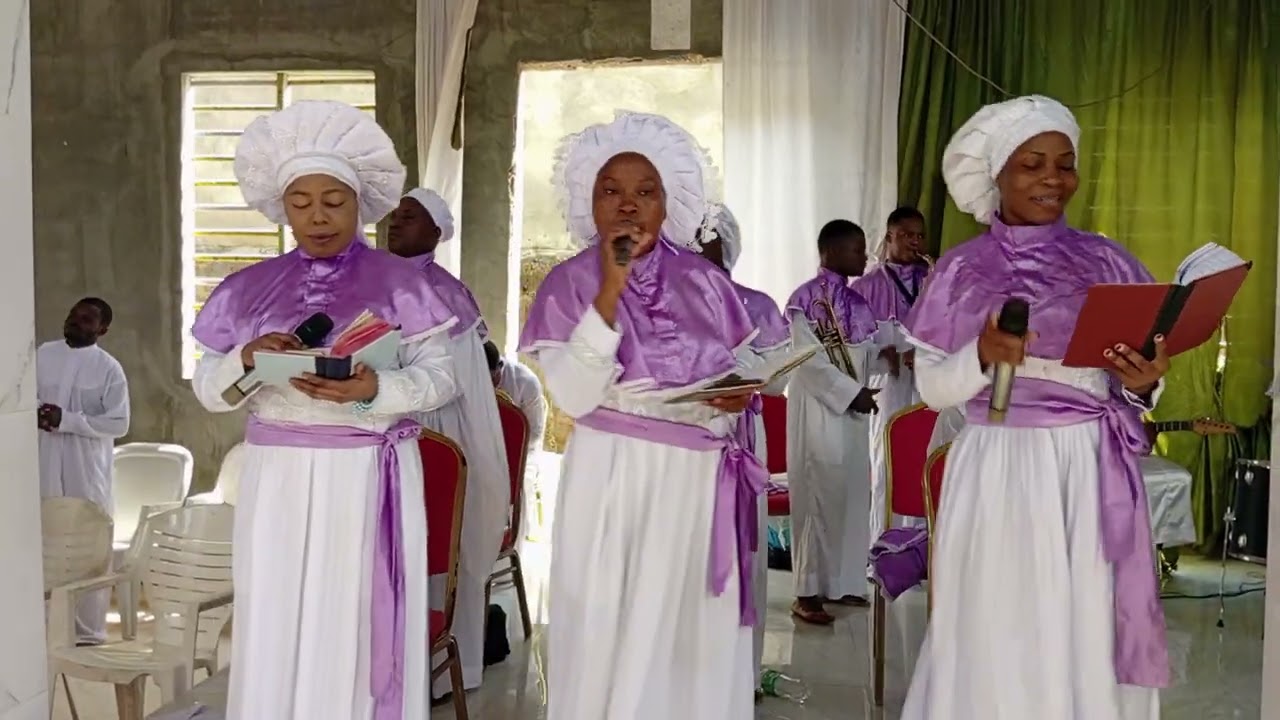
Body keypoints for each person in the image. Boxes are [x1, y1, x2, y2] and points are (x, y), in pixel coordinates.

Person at [900, 95, 1169, 720]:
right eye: (1032, 163)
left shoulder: (1108, 259)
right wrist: (984, 354)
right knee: (1002, 620)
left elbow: (1137, 377)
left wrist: (1145, 383)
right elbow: (933, 390)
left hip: (1089, 463)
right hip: (1000, 462)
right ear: (996, 173)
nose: (1053, 178)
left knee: (1086, 617)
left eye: (1065, 163)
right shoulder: (963, 269)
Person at [190, 100, 458, 720]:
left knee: (353, 608)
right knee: (277, 607)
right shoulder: (247, 288)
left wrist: (372, 391)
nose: (317, 217)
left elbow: (441, 378)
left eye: (333, 202)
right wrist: (248, 359)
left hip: (366, 473)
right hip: (277, 476)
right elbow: (210, 389)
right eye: (301, 202)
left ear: (361, 203)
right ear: (280, 206)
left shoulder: (404, 283)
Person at [519, 112, 765, 720]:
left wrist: (738, 395)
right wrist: (610, 287)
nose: (628, 205)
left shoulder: (708, 283)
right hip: (614, 478)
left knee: (691, 636)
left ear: (667, 204)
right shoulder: (567, 283)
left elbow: (745, 366)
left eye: (645, 192)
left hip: (698, 483)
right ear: (590, 202)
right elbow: (574, 396)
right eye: (611, 190)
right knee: (612, 623)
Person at [389, 187, 510, 698]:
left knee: (438, 548)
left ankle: (436, 668)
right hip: (377, 428)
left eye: (411, 217)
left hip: (438, 430)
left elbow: (459, 383)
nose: (396, 222)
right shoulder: (370, 279)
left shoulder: (447, 294)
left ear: (436, 233)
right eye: (395, 214)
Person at [694, 202, 790, 699]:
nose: (695, 252)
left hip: (739, 437)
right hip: (683, 446)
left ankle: (739, 676)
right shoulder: (666, 303)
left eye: (706, 243)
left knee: (741, 554)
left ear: (726, 248)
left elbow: (779, 379)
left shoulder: (755, 303)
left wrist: (743, 360)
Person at [784, 220, 881, 625]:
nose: (864, 256)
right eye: (857, 249)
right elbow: (806, 360)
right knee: (818, 498)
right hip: (818, 411)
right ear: (831, 251)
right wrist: (848, 393)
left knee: (852, 494)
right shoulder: (803, 299)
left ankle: (844, 583)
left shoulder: (858, 303)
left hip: (853, 413)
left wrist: (887, 360)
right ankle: (807, 592)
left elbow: (864, 353)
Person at [37, 297, 130, 645]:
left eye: (86, 319)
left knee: (87, 543)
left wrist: (68, 420)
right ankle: (45, 627)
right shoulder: (44, 354)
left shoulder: (108, 369)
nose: (76, 321)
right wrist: (39, 413)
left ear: (102, 329)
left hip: (86, 469)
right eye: (73, 315)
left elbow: (119, 423)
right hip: (44, 461)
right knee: (46, 540)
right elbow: (22, 396)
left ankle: (87, 631)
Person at [851, 206, 931, 544]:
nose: (914, 242)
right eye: (906, 235)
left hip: (929, 379)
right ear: (889, 237)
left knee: (926, 455)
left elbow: (952, 333)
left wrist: (924, 351)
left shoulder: (936, 280)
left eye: (919, 235)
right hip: (889, 381)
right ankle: (883, 546)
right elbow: (853, 342)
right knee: (888, 459)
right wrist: (881, 351)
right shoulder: (867, 286)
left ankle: (920, 548)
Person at [485, 340, 547, 541]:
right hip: (481, 452)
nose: (484, 385)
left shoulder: (525, 382)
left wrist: (503, 452)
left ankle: (514, 545)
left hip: (520, 454)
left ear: (499, 367)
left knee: (520, 486)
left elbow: (534, 433)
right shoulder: (467, 380)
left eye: (490, 379)